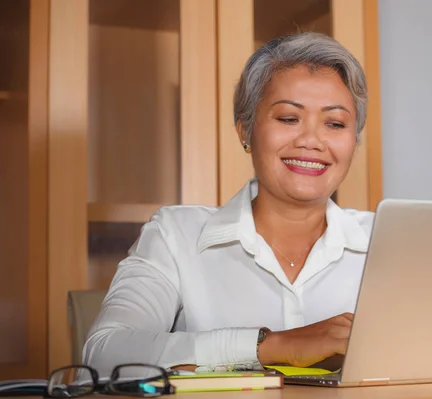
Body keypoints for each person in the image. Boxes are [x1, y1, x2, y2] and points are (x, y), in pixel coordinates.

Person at [83, 32, 374, 376]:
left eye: (335, 123)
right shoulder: (176, 235)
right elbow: (103, 353)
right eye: (288, 118)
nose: (311, 140)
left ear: (353, 143)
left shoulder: (387, 240)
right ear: (245, 130)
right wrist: (275, 345)